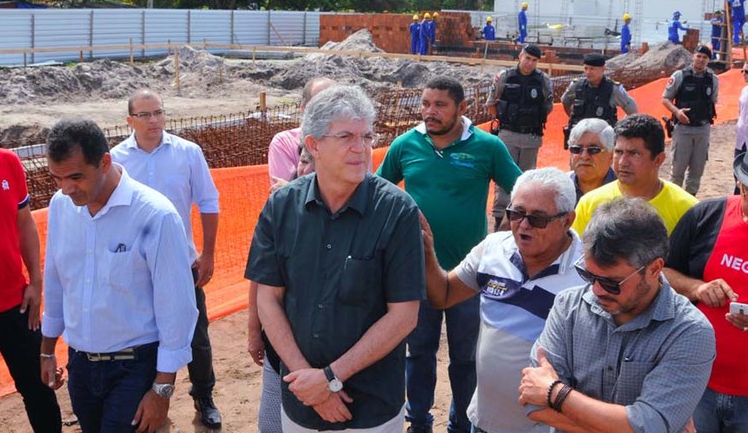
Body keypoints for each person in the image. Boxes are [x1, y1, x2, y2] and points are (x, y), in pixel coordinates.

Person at [245, 85, 424, 432]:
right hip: (300, 402)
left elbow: (404, 316)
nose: (361, 148)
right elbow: (268, 298)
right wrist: (307, 382)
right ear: (313, 145)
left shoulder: (397, 211)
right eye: (346, 137)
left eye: (367, 136)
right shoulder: (281, 207)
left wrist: (328, 378)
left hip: (371, 408)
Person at [377, 76, 522, 433]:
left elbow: (521, 189)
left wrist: (508, 230)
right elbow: (378, 193)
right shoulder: (405, 145)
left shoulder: (487, 147)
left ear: (462, 108)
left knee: (467, 357)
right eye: (425, 104)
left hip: (468, 275)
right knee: (419, 352)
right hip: (416, 271)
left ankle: (461, 423)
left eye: (440, 105)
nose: (430, 112)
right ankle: (419, 421)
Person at [41, 119, 198, 433]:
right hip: (81, 366)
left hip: (135, 368)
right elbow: (56, 282)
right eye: (57, 178)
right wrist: (46, 350)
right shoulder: (61, 207)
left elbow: (176, 307)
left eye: (75, 176)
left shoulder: (155, 215)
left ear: (105, 162)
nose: (66, 188)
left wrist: (162, 389)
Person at [518, 198, 716, 433]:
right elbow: (535, 406)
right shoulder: (567, 306)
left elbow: (651, 425)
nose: (596, 290)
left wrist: (556, 393)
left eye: (612, 283)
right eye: (588, 275)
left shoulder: (690, 332)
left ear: (654, 269)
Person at [421, 168, 584, 433]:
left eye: (538, 219)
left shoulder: (587, 275)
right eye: (516, 213)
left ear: (567, 221)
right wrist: (428, 251)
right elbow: (444, 295)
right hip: (484, 421)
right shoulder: (493, 248)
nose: (524, 225)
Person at [110, 89, 222, 429]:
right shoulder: (115, 160)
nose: (154, 120)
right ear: (129, 120)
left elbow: (209, 202)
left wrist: (209, 254)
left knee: (196, 335)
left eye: (158, 112)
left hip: (182, 266)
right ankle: (148, 400)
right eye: (145, 115)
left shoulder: (188, 153)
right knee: (142, 339)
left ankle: (204, 397)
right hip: (134, 271)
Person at [0, 99, 62, 432]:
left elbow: (25, 224)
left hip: (16, 303)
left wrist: (36, 282)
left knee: (38, 387)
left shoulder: (8, 162)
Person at [663, 152, 748, 433]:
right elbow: (662, 271)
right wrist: (697, 288)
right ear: (741, 183)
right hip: (697, 384)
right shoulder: (707, 216)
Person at [249, 142, 315, 433]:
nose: (307, 168)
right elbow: (260, 279)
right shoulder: (276, 212)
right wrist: (254, 332)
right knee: (272, 425)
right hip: (280, 350)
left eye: (315, 161)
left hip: (333, 357)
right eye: (303, 160)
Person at [573, 113, 698, 235]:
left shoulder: (688, 210)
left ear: (658, 160)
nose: (623, 162)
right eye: (619, 152)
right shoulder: (589, 205)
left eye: (634, 154)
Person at [486, 44, 554, 230]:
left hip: (531, 136)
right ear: (520, 56)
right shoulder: (505, 77)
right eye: (527, 58)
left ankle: (518, 220)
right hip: (507, 134)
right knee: (503, 177)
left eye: (534, 60)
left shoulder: (543, 81)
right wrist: (503, 120)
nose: (530, 63)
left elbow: (548, 106)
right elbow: (492, 102)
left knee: (525, 179)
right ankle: (500, 220)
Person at [662, 44, 719, 196]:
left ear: (709, 60)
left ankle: (690, 204)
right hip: (683, 130)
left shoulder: (713, 80)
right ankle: (673, 202)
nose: (701, 60)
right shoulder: (680, 76)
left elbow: (712, 101)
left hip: (703, 130)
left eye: (705, 58)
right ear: (693, 56)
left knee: (697, 171)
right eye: (698, 56)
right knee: (677, 171)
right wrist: (677, 112)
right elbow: (665, 98)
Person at [268, 77, 335, 184]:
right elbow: (284, 194)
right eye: (320, 105)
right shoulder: (284, 142)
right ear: (304, 108)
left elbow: (362, 191)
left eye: (335, 103)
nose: (328, 110)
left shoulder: (356, 141)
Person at [561, 53, 637, 132]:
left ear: (603, 69)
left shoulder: (613, 89)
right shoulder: (576, 85)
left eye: (592, 69)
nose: (588, 72)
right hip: (579, 136)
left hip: (603, 138)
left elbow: (632, 112)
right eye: (586, 68)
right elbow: (565, 101)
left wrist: (619, 128)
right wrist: (574, 119)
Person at [567, 118, 616, 203]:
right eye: (577, 149)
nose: (584, 156)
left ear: (611, 156)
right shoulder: (558, 189)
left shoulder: (628, 191)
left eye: (593, 150)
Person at [736, 61, 748, 193]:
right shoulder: (744, 90)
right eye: (742, 71)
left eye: (747, 72)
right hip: (741, 141)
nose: (744, 74)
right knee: (737, 174)